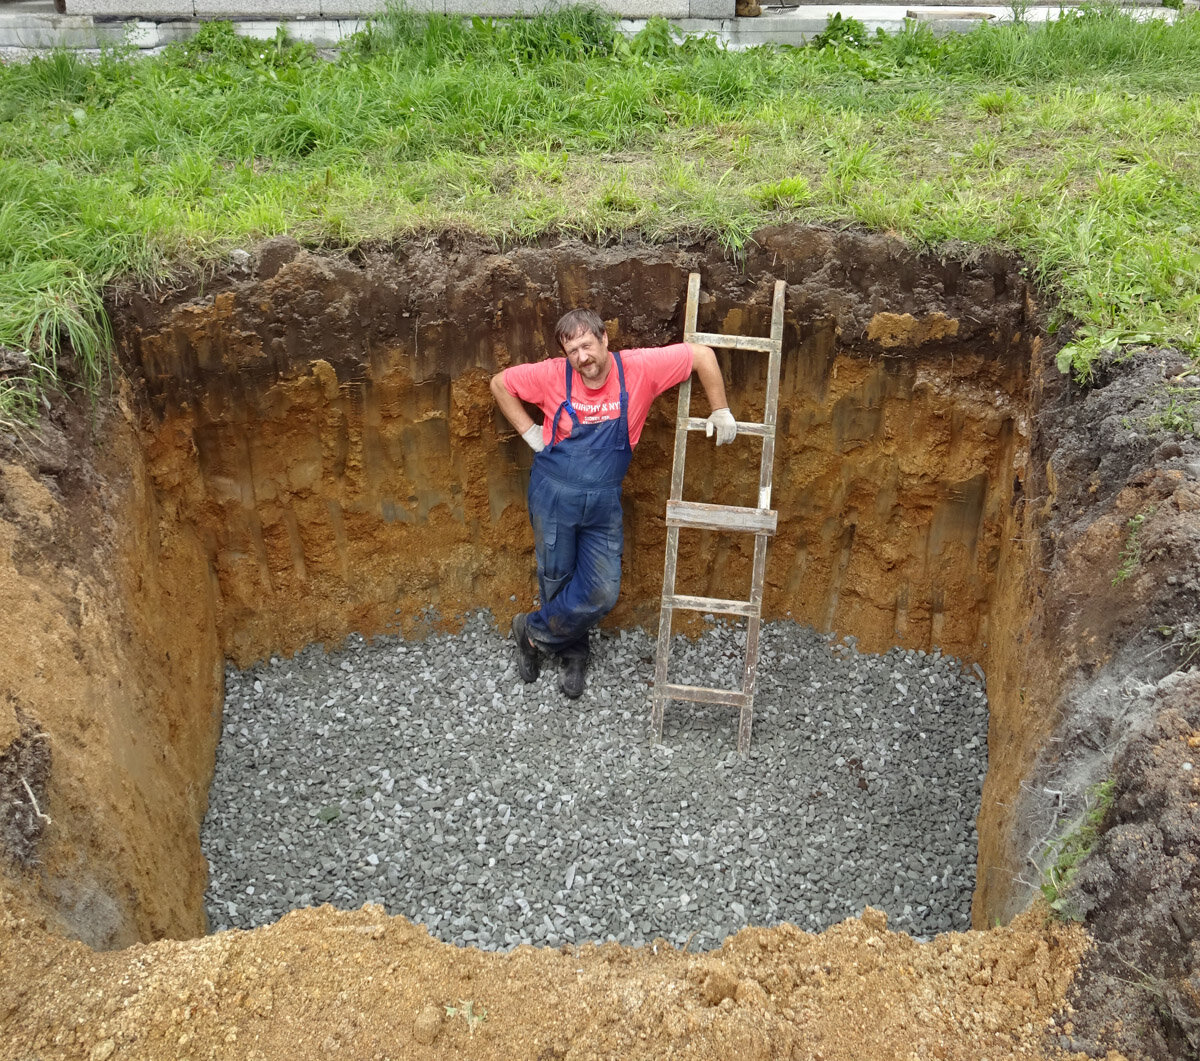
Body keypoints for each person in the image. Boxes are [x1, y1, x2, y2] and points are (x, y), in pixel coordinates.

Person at [489, 308, 737, 699]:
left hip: (604, 500)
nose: (582, 357)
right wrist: (531, 432)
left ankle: (531, 632)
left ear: (605, 340)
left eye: (587, 345)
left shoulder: (640, 368)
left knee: (602, 591)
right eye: (573, 351)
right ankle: (572, 651)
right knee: (555, 576)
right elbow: (500, 383)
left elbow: (701, 355)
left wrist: (720, 409)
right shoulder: (553, 374)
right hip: (553, 492)